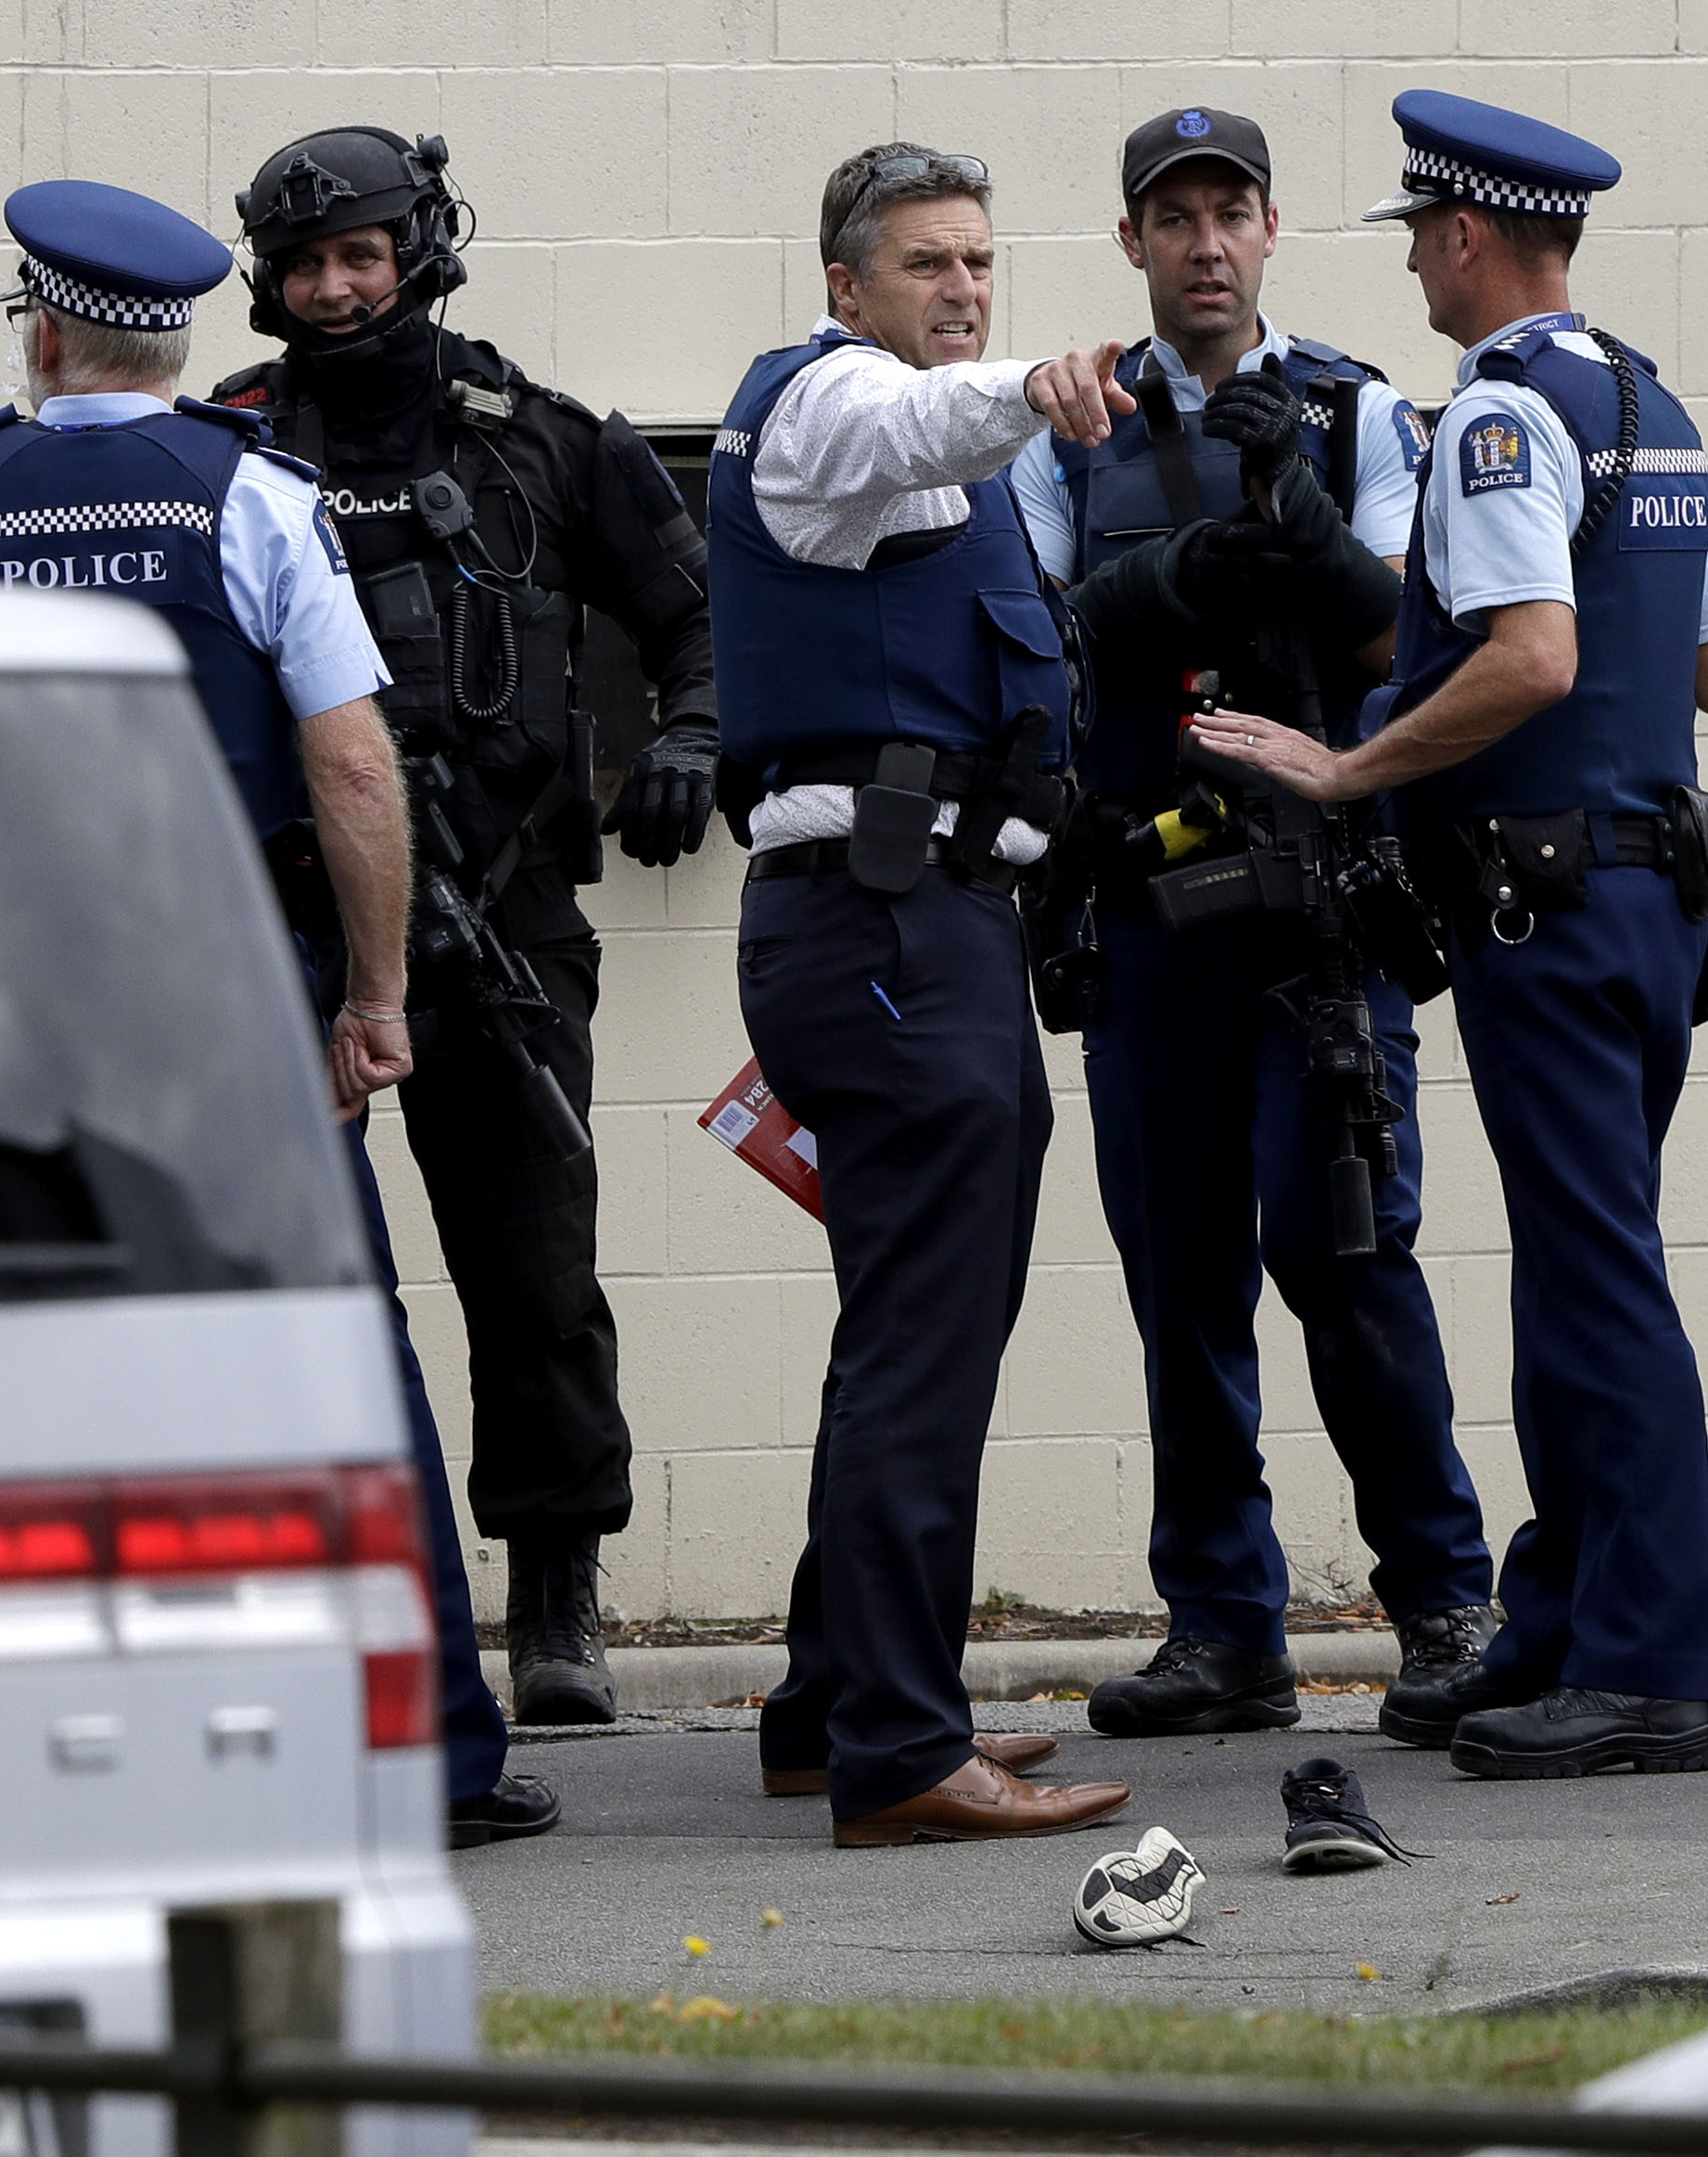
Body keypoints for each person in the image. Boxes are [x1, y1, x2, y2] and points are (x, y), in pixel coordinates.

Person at [0, 180, 554, 1846]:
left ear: (42, 330)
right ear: (174, 341)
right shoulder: (251, 494)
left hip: (14, 1015)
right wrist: (377, 994)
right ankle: (431, 1756)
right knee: (335, 1359)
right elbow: (347, 760)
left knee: (21, 1364)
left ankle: (33, 1756)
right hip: (234, 994)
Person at [1189, 93, 1708, 1780]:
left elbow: (1532, 656)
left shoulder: (1505, 412)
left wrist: (1350, 760)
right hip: (1646, 893)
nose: (1420, 265)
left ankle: (1650, 1669)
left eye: (1422, 236)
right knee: (1590, 1268)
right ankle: (1561, 1624)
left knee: (1599, 1280)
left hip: (1555, 901)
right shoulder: (1649, 402)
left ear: (1464, 236)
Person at [213, 128, 718, 1728]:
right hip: (287, 940)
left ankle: (557, 1593)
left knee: (533, 1275)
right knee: (278, 1284)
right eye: (304, 265)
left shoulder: (544, 440)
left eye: (361, 252)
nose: (335, 287)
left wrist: (691, 737)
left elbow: (700, 612)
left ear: (421, 245)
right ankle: (299, 1596)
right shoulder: (219, 449)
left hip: (504, 931)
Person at [1003, 106, 1496, 1743]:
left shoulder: (1358, 413)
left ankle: (1443, 1604)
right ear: (1134, 242)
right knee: (1180, 1270)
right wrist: (1198, 578)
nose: (1205, 244)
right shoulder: (1070, 423)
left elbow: (1399, 653)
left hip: (1320, 919)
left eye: (1232, 212)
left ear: (1273, 230)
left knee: (1344, 1249)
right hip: (1147, 909)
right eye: (1173, 218)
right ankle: (1225, 1625)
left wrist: (1304, 548)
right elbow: (1046, 645)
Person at [696, 141, 1141, 1845]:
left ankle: (832, 1705)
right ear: (844, 286)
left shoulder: (927, 457)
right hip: (881, 930)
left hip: (935, 927)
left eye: (977, 263)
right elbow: (914, 423)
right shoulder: (824, 405)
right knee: (923, 1347)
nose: (959, 287)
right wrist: (1030, 385)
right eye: (924, 265)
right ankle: (896, 1748)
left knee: (909, 1330)